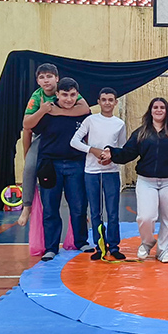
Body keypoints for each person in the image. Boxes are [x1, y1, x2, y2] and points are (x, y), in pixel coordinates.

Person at [101, 98, 168, 263]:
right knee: (145, 217)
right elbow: (127, 153)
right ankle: (147, 242)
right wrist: (112, 152)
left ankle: (163, 250)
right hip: (146, 181)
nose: (159, 110)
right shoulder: (141, 133)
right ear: (150, 111)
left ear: (166, 111)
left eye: (162, 107)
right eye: (155, 107)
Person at [25, 77, 92, 261]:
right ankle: (51, 247)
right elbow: (28, 127)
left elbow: (89, 137)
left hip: (76, 164)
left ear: (77, 95)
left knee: (79, 206)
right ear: (57, 95)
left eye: (72, 95)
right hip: (50, 165)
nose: (68, 99)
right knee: (50, 208)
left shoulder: (83, 114)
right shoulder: (47, 112)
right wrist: (41, 111)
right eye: (64, 95)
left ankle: (81, 241)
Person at [18, 63, 90, 227]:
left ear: (56, 78)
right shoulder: (37, 97)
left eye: (49, 76)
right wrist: (43, 110)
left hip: (67, 136)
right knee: (30, 167)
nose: (46, 80)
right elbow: (26, 126)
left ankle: (82, 211)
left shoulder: (66, 88)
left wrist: (59, 112)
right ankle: (27, 206)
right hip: (43, 137)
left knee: (81, 175)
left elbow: (85, 109)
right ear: (37, 81)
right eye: (42, 77)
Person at [69, 87, 127, 260]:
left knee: (113, 212)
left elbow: (121, 148)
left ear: (115, 102)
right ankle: (100, 246)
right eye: (104, 99)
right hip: (91, 172)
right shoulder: (90, 120)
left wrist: (111, 157)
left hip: (111, 172)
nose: (107, 103)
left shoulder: (119, 124)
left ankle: (114, 246)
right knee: (95, 211)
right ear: (99, 102)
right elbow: (74, 141)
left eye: (110, 100)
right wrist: (92, 150)